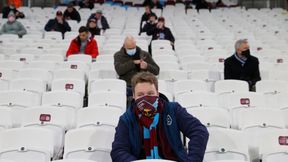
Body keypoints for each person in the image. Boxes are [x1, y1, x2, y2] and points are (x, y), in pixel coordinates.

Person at [111, 72, 209, 162]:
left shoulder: (173, 109)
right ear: (133, 96)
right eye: (140, 95)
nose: (146, 98)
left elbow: (199, 131)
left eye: (150, 93)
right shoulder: (127, 119)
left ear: (157, 93)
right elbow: (118, 151)